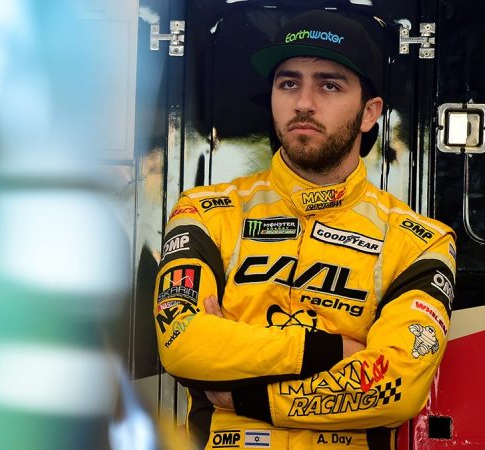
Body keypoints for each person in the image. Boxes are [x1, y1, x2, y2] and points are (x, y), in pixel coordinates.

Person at [153, 10, 456, 450]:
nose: (303, 103)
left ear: (370, 113)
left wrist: (244, 392)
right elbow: (182, 342)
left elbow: (398, 387)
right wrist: (331, 351)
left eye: (329, 85)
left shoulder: (419, 241)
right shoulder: (206, 212)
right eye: (288, 84)